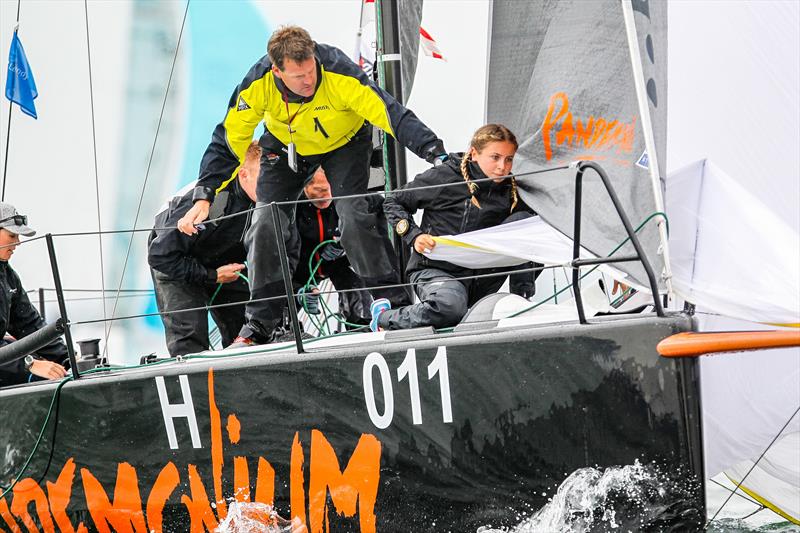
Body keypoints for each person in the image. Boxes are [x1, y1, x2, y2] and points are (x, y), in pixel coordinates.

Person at [176, 25, 447, 346]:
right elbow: (228, 140)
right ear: (277, 71)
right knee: (266, 220)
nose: (309, 81)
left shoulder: (337, 71)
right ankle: (259, 325)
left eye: (311, 71)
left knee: (353, 212)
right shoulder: (257, 84)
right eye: (299, 76)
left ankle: (395, 305)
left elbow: (392, 115)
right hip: (287, 147)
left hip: (344, 143)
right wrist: (204, 196)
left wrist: (437, 154)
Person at [373, 124, 540, 331]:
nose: (502, 167)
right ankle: (382, 318)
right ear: (474, 154)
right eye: (495, 157)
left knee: (527, 222)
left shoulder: (512, 188)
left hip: (482, 278)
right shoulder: (445, 176)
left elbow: (535, 243)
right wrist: (413, 236)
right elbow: (393, 201)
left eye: (509, 159)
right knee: (449, 307)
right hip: (435, 270)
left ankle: (522, 301)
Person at [148, 142, 261, 355]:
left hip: (224, 262)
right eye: (264, 180)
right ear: (243, 175)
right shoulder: (212, 201)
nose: (270, 187)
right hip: (176, 260)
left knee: (249, 334)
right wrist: (211, 276)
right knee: (191, 343)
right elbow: (160, 256)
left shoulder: (267, 198)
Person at [293, 167, 373, 328]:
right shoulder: (294, 209)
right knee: (284, 293)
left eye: (329, 189)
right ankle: (286, 330)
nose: (325, 195)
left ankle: (360, 324)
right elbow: (282, 255)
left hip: (336, 263)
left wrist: (343, 245)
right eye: (319, 190)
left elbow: (364, 233)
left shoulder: (342, 203)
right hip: (301, 267)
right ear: (305, 187)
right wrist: (298, 290)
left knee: (354, 282)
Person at [0, 203, 69, 387]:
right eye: (12, 235)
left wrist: (68, 359)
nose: (18, 243)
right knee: (40, 374)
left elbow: (29, 325)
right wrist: (28, 364)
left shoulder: (7, 275)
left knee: (57, 372)